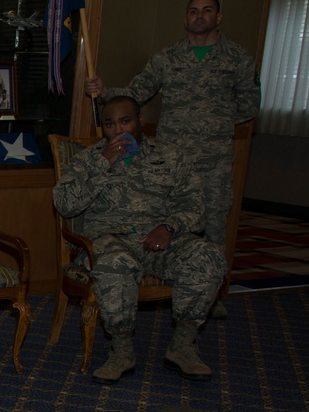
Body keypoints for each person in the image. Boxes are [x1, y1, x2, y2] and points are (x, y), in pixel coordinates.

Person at [85, 0, 260, 318]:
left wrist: (214, 123)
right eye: (193, 11)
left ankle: (211, 295)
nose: (199, 16)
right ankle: (158, 284)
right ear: (185, 19)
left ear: (218, 18)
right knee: (163, 221)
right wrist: (105, 91)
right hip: (169, 162)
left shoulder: (237, 58)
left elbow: (249, 104)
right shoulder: (168, 57)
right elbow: (136, 93)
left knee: (212, 223)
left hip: (213, 161)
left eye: (207, 11)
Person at [53, 96, 226, 384]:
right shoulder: (89, 159)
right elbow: (64, 204)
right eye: (110, 124)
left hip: (161, 240)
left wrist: (169, 227)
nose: (118, 130)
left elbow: (194, 207)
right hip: (111, 239)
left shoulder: (171, 156)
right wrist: (103, 164)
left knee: (207, 256)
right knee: (115, 264)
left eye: (125, 121)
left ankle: (183, 345)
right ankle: (121, 350)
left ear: (140, 121)